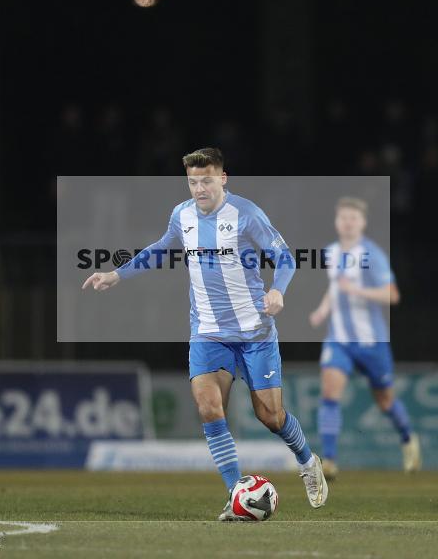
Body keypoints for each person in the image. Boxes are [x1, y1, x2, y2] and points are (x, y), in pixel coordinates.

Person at [82, 148, 328, 520]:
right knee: (209, 408)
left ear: (223, 178)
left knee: (271, 417)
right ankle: (237, 493)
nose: (200, 188)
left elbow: (286, 258)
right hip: (208, 333)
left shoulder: (247, 214)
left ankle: (308, 461)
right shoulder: (181, 215)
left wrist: (278, 290)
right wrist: (116, 274)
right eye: (193, 181)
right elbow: (160, 249)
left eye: (207, 180)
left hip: (254, 332)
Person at [309, 197, 420, 479]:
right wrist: (323, 310)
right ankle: (330, 461)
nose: (347, 222)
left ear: (363, 223)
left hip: (372, 343)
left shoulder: (372, 255)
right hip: (339, 340)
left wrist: (357, 292)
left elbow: (393, 295)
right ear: (336, 221)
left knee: (385, 401)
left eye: (353, 218)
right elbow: (336, 288)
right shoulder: (330, 252)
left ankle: (408, 438)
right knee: (329, 394)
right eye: (343, 217)